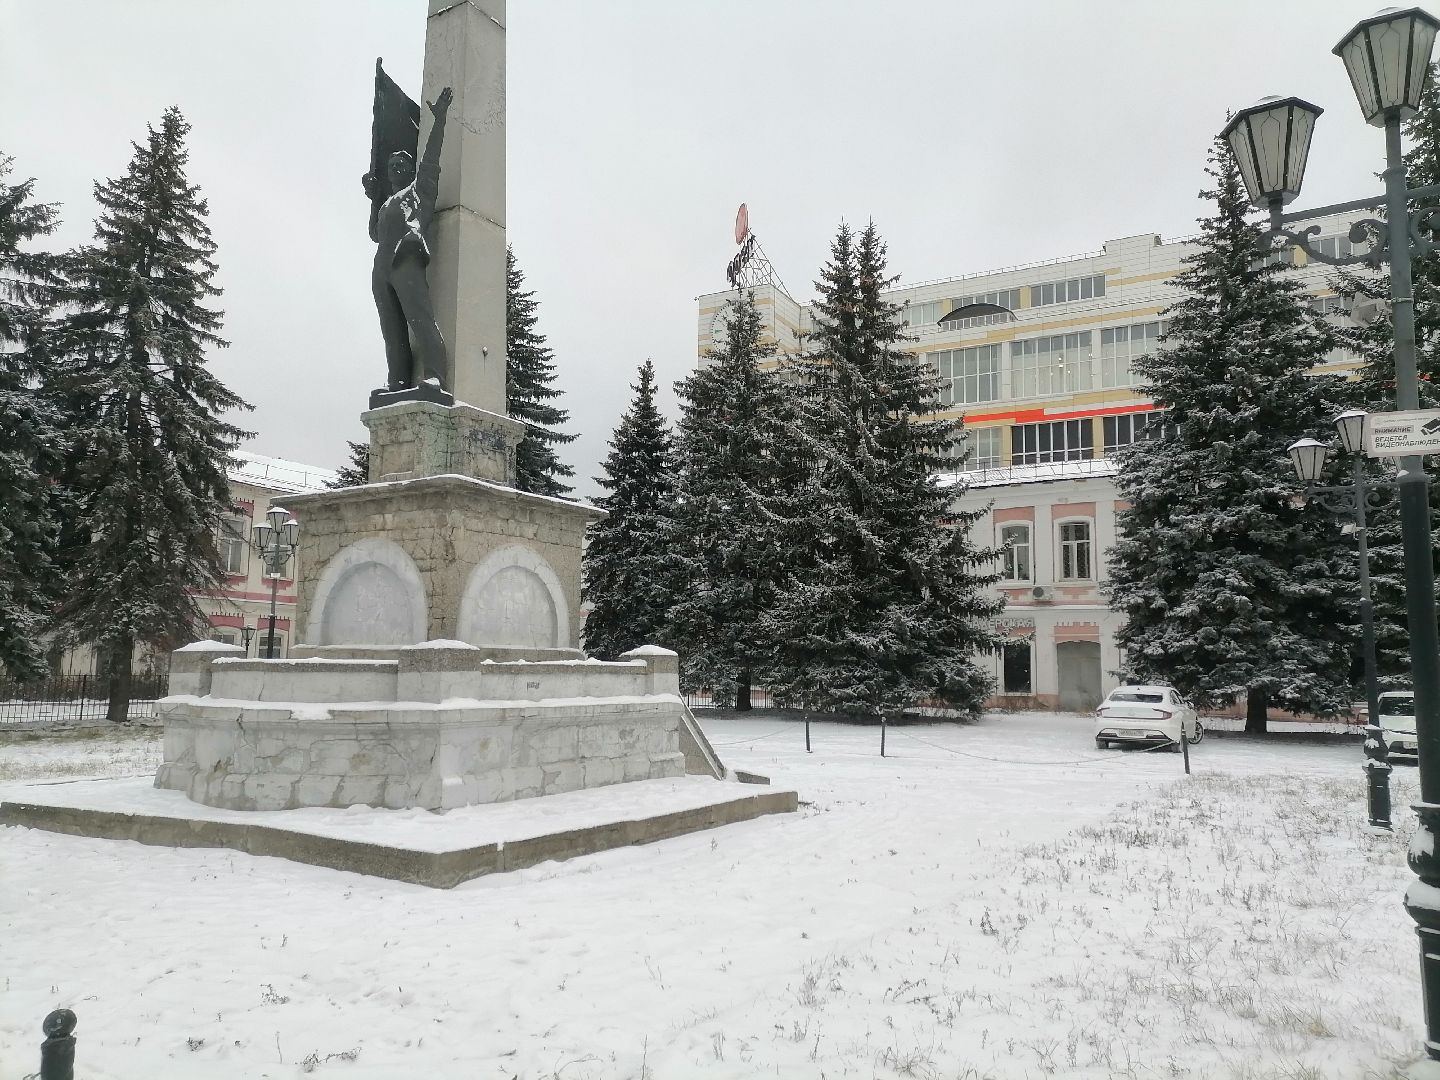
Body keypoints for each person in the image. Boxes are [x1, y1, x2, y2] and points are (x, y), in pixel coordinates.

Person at [363, 86, 453, 392]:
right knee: (392, 330)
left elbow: (430, 159)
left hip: (406, 261)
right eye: (392, 166)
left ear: (410, 169)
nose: (396, 168)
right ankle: (398, 381)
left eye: (402, 164)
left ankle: (436, 377)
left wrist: (439, 120)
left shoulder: (419, 192)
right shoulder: (388, 203)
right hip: (382, 267)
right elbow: (375, 233)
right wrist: (373, 198)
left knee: (420, 319)